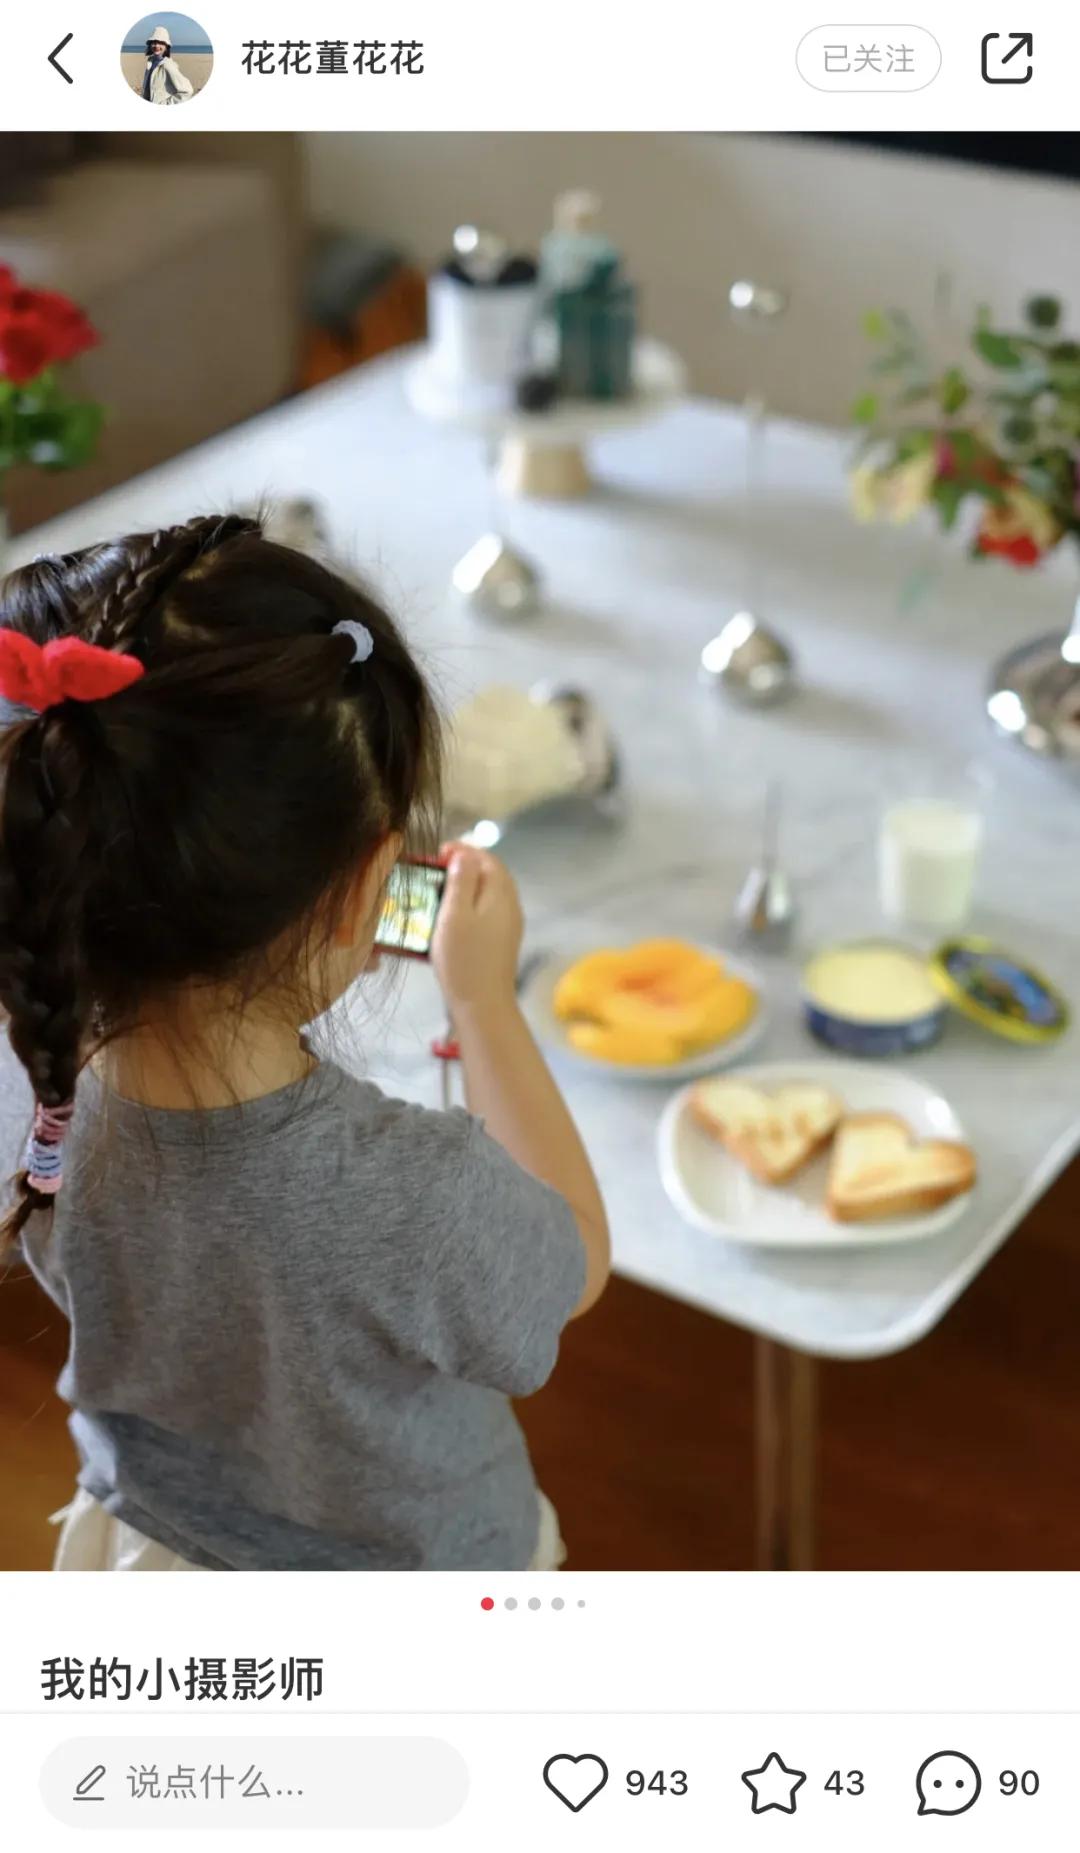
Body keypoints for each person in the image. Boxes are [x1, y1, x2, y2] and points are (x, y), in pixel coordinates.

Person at [0, 514, 610, 1570]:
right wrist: (485, 1005)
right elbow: (572, 1267)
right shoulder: (415, 1193)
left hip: (156, 1555)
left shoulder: (31, 1084)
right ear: (356, 895)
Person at [140, 25, 194, 105]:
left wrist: (165, 104)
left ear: (166, 47)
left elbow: (187, 91)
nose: (156, 46)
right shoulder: (150, 62)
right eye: (154, 42)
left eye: (161, 43)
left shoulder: (168, 65)